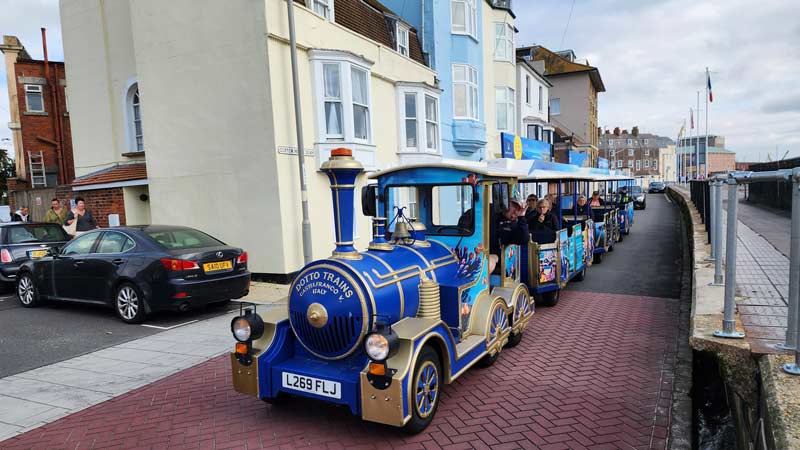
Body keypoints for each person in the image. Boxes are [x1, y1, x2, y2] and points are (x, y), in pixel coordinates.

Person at [488, 198, 529, 274]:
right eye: (514, 208)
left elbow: (524, 239)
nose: (515, 212)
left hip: (499, 257)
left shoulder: (514, 224)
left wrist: (522, 217)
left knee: (490, 262)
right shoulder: (488, 210)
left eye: (518, 209)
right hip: (478, 250)